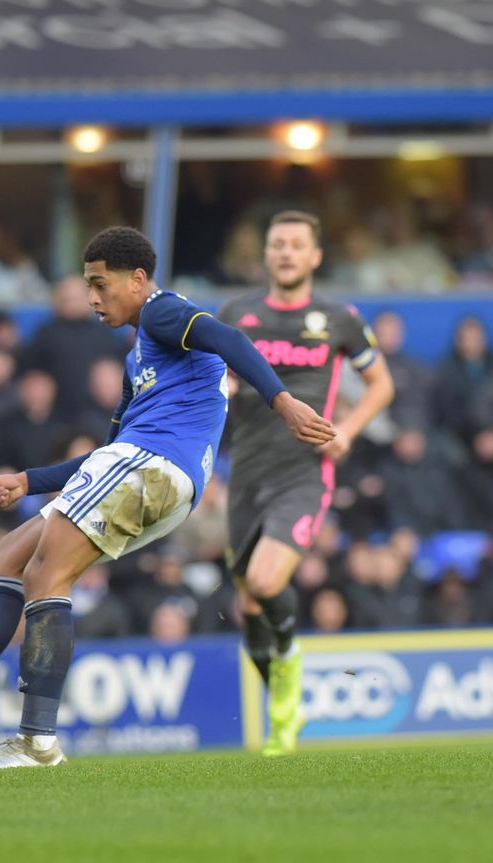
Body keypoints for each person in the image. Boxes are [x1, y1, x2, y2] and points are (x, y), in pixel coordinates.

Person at [0, 226, 333, 767]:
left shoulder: (163, 312)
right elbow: (105, 454)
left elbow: (231, 339)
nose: (93, 298)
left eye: (100, 283)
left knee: (47, 576)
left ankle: (37, 740)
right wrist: (29, 479)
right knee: (11, 556)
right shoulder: (141, 359)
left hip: (153, 467)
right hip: (146, 471)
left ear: (137, 280)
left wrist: (283, 402)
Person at [216, 211, 393, 755]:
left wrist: (348, 430)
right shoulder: (236, 313)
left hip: (304, 471)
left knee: (267, 583)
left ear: (315, 256)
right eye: (277, 245)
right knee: (247, 603)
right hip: (246, 471)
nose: (286, 253)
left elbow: (380, 383)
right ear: (265, 255)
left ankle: (289, 664)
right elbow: (216, 378)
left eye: (297, 245)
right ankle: (283, 709)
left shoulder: (337, 318)